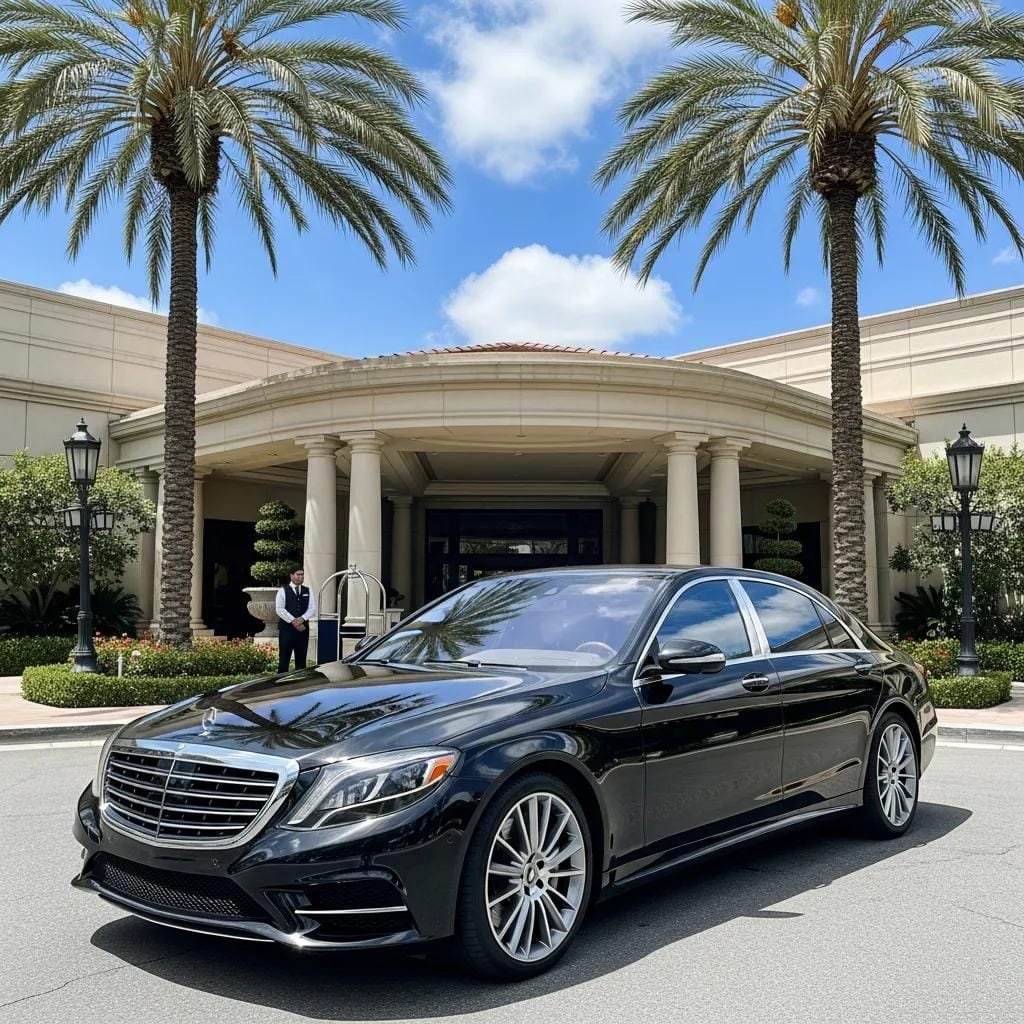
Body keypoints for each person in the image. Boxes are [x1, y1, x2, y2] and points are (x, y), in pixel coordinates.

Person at [275, 565, 316, 672]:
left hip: (303, 630)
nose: (301, 577)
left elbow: (312, 608)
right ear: (291, 575)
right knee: (284, 660)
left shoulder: (308, 590)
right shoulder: (282, 591)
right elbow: (279, 609)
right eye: (298, 574)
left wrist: (302, 619)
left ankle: (300, 681)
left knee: (301, 660)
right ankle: (281, 681)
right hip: (286, 630)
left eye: (302, 575)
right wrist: (293, 621)